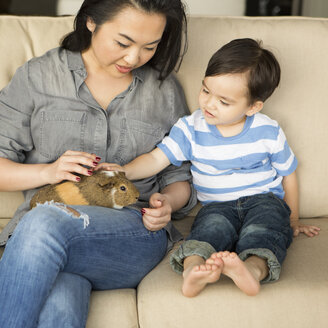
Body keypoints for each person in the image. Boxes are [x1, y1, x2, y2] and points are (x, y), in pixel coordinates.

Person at [0, 1, 197, 327]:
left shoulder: (163, 91)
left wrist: (168, 204)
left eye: (150, 46)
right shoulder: (38, 77)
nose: (134, 58)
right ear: (90, 21)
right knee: (59, 297)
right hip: (46, 243)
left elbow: (179, 175)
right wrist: (48, 172)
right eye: (123, 43)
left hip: (131, 236)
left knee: (44, 223)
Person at [99, 38, 321, 298]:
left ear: (253, 107)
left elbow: (288, 173)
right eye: (206, 91)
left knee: (264, 231)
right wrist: (124, 171)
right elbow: (156, 159)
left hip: (265, 201)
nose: (209, 104)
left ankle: (251, 270)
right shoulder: (191, 127)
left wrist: (292, 218)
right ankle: (193, 270)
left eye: (224, 102)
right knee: (207, 232)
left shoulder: (267, 130)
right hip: (217, 206)